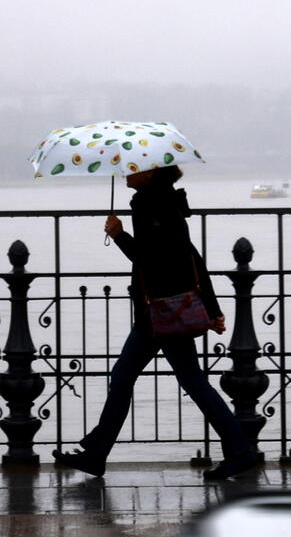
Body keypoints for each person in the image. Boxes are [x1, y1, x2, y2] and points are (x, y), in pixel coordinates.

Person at [52, 165, 256, 480]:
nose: (124, 172)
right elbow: (191, 257)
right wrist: (211, 309)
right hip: (163, 312)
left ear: (148, 173)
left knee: (155, 380)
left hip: (161, 313)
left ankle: (240, 451)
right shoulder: (162, 201)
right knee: (151, 379)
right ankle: (96, 453)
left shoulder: (150, 205)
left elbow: (151, 258)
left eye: (132, 168)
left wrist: (119, 236)